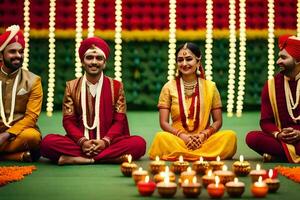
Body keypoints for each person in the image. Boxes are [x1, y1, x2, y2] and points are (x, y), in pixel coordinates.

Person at [40, 36, 146, 165]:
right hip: (80, 143)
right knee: (47, 143)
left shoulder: (117, 87)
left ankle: (81, 159)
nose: (94, 62)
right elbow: (68, 121)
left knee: (139, 144)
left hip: (108, 142)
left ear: (105, 62)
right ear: (82, 62)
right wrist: (83, 141)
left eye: (99, 58)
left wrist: (105, 141)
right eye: (89, 58)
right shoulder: (72, 87)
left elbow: (119, 121)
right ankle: (111, 158)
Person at [148, 42, 237, 161]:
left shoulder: (210, 87)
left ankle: (182, 155)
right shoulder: (168, 87)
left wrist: (203, 135)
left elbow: (218, 121)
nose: (184, 64)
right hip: (178, 139)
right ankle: (202, 155)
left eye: (189, 59)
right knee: (161, 138)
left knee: (230, 136)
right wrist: (182, 136)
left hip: (203, 140)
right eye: (180, 60)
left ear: (198, 61)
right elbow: (164, 123)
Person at [246, 35, 300, 163]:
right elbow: (265, 122)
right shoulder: (271, 85)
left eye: (283, 58)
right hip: (281, 138)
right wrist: (278, 134)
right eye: (279, 57)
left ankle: (280, 156)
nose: (278, 62)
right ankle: (289, 154)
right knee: (252, 138)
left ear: (298, 60)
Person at [0, 25, 43, 162]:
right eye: (12, 52)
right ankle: (15, 156)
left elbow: (31, 117)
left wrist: (5, 135)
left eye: (21, 51)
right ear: (1, 55)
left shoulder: (33, 80)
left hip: (18, 133)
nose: (18, 56)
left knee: (33, 137)